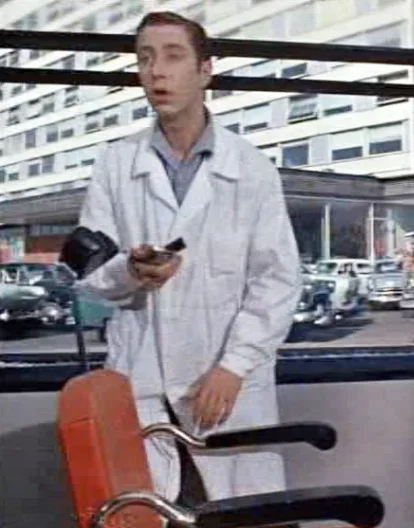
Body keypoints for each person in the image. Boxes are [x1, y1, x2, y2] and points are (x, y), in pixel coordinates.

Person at [76, 11, 302, 502]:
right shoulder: (115, 163)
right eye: (145, 58)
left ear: (205, 70)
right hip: (141, 385)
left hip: (222, 388)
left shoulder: (251, 168)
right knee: (145, 511)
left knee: (238, 513)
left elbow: (278, 280)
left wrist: (234, 366)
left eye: (173, 56)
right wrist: (130, 270)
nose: (157, 71)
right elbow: (89, 274)